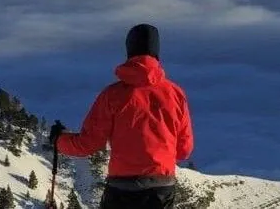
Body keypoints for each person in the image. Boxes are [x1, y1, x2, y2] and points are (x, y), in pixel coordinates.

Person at [50, 24, 193, 209]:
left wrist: (59, 140)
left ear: (129, 51)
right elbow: (183, 150)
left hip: (122, 190)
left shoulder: (112, 95)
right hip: (161, 189)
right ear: (157, 52)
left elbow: (88, 144)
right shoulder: (175, 94)